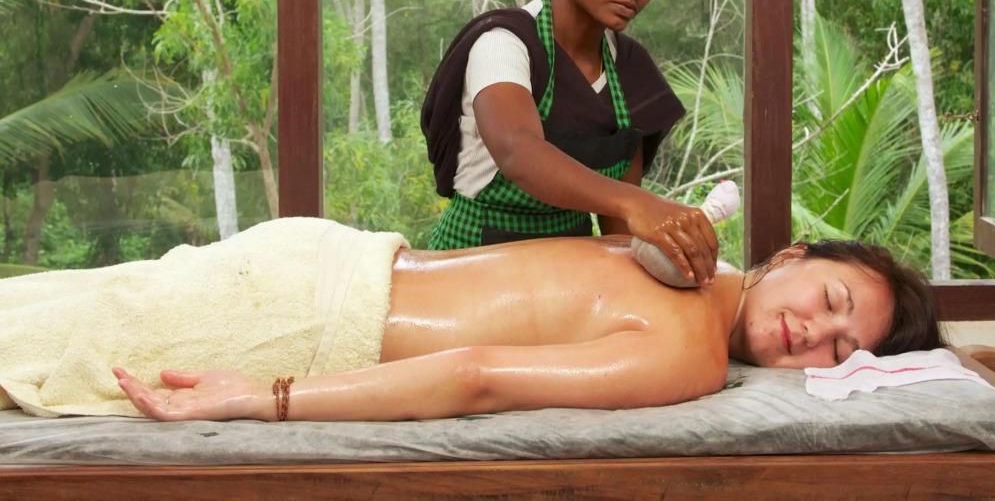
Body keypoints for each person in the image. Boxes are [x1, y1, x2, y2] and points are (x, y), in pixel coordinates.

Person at [113, 234, 943, 423]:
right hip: (315, 300)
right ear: (792, 254)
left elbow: (481, 371)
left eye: (841, 348)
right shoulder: (678, 267)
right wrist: (266, 393)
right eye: (830, 298)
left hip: (325, 265)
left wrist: (263, 394)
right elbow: (474, 373)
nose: (813, 333)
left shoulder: (688, 340)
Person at [421, 0, 718, 284]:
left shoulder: (631, 70)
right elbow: (518, 151)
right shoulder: (505, 44)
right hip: (473, 273)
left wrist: (672, 252)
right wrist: (638, 203)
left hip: (571, 284)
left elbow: (616, 229)